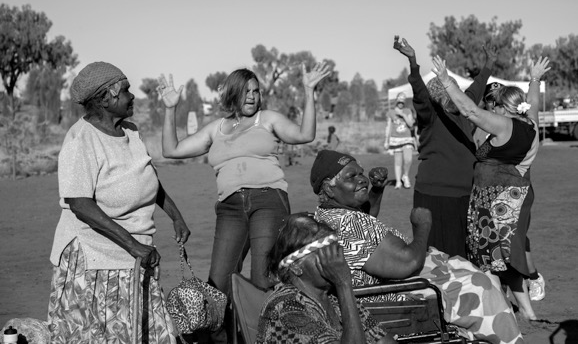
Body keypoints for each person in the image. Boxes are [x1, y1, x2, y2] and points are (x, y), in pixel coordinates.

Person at [157, 63, 330, 342]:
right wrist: (169, 109)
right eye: (246, 91)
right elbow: (171, 150)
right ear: (233, 94)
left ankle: (267, 336)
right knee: (218, 282)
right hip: (230, 208)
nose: (252, 96)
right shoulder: (217, 129)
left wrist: (309, 91)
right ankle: (228, 337)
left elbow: (305, 135)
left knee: (262, 278)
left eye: (256, 91)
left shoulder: (268, 119)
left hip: (268, 200)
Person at [310, 149, 523, 344]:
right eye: (351, 177)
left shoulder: (326, 216)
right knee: (482, 286)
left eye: (360, 173)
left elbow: (364, 223)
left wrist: (375, 190)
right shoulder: (350, 224)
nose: (361, 179)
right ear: (329, 187)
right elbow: (407, 264)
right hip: (397, 298)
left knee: (480, 276)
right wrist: (422, 227)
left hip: (386, 286)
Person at [48, 62, 190, 343]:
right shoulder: (81, 140)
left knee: (152, 332)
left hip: (137, 251)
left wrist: (175, 216)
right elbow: (80, 204)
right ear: (105, 98)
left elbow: (149, 179)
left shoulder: (132, 132)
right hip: (94, 256)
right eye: (126, 90)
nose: (132, 96)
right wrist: (133, 246)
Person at [432, 55, 551, 321]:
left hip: (499, 200)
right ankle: (521, 310)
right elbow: (532, 104)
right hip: (512, 196)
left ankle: (517, 310)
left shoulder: (504, 124)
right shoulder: (529, 122)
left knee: (497, 257)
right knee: (501, 257)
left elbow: (470, 111)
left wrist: (445, 80)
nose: (491, 108)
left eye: (494, 104)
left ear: (504, 107)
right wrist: (534, 78)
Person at [394, 35, 496, 258]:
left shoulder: (464, 111)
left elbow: (477, 89)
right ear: (437, 96)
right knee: (435, 254)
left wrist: (489, 64)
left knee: (465, 252)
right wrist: (413, 61)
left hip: (465, 194)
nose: (454, 92)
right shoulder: (430, 116)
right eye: (448, 89)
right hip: (434, 195)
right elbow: (420, 94)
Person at [257, 212, 394, 344]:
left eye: (335, 250)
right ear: (295, 267)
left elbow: (384, 340)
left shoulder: (334, 298)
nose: (336, 260)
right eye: (325, 253)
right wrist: (344, 284)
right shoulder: (285, 308)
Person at [476, 82, 546, 303]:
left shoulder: (517, 126)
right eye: (490, 99)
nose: (493, 104)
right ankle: (513, 290)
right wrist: (534, 79)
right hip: (491, 193)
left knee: (510, 244)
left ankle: (532, 279)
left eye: (497, 100)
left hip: (512, 192)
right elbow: (533, 105)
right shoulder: (483, 126)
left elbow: (532, 107)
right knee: (505, 244)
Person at [384, 92, 415, 189]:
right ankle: (398, 182)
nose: (401, 100)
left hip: (407, 138)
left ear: (405, 101)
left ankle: (405, 176)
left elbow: (411, 124)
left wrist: (402, 115)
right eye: (400, 98)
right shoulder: (390, 112)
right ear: (396, 99)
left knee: (408, 159)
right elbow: (388, 127)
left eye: (403, 98)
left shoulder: (408, 111)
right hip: (395, 139)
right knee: (398, 161)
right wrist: (386, 140)